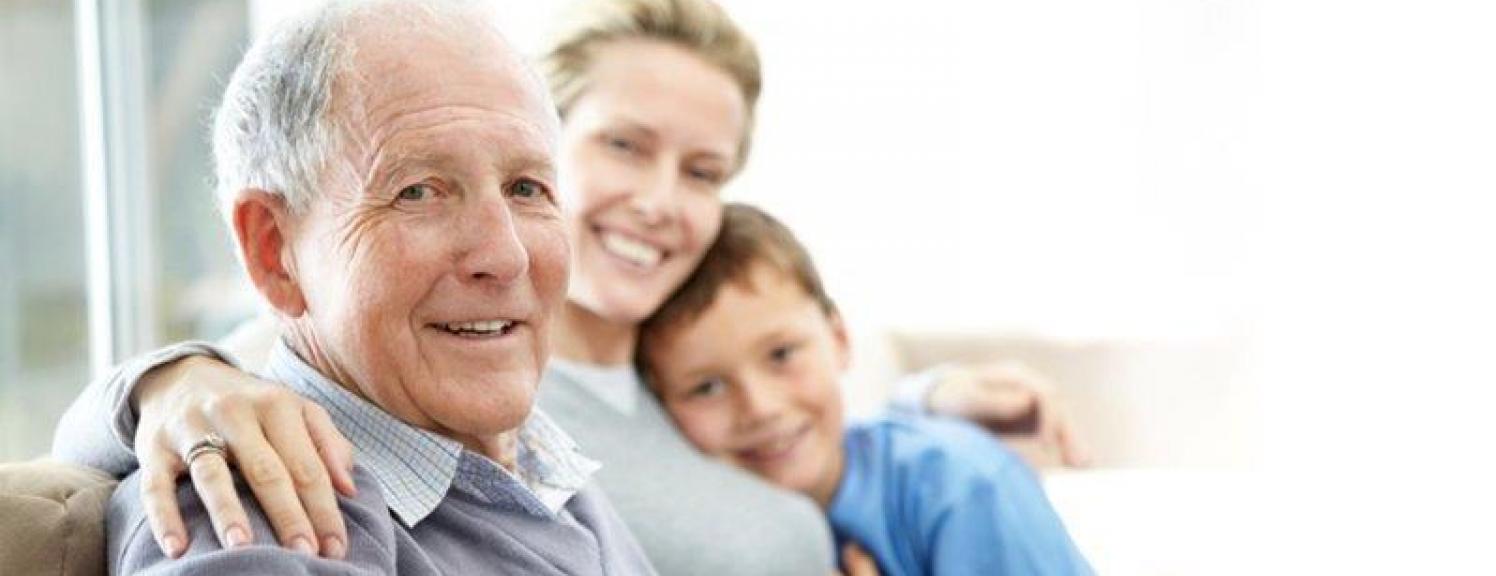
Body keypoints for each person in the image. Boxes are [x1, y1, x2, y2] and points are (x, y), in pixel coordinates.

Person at [54, 0, 1085, 573]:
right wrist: (163, 382)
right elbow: (245, 377)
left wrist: (929, 396)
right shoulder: (372, 404)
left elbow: (814, 410)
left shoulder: (654, 378)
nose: (658, 202)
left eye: (703, 172)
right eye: (422, 189)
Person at [102, 0, 658, 573]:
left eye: (525, 187)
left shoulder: (540, 464)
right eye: (418, 191)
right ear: (274, 252)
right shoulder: (249, 521)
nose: (506, 255)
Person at [639, 203, 1095, 575]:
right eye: (707, 387)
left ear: (838, 339)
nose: (760, 408)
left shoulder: (965, 489)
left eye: (781, 355)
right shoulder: (701, 535)